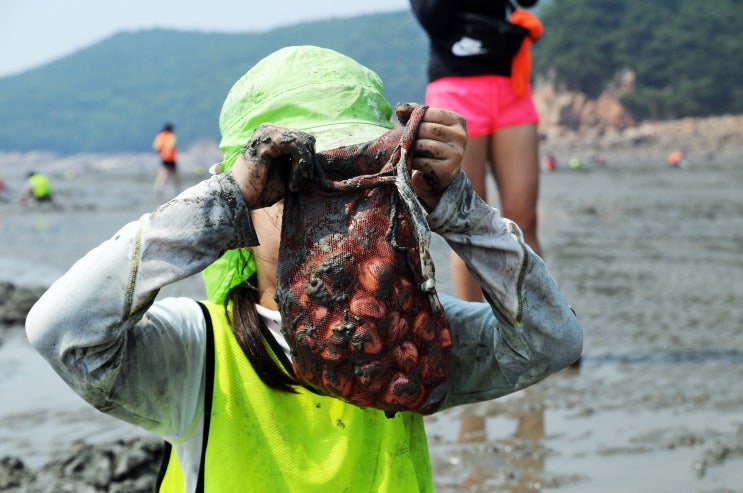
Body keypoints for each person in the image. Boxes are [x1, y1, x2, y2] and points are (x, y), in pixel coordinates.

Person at [26, 46, 582, 492]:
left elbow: (550, 339)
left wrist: (459, 210)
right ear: (245, 196)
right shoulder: (196, 353)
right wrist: (220, 209)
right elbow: (60, 330)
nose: (328, 204)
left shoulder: (408, 340)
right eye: (294, 180)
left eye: (355, 175)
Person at [410, 0, 544, 301]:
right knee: (467, 224)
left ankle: (538, 331)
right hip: (455, 87)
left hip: (512, 86)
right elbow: (432, 18)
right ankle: (479, 335)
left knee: (525, 218)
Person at [153, 122, 180, 197]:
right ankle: (177, 190)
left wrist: (161, 154)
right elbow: (171, 145)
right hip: (171, 158)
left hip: (163, 158)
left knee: (162, 175)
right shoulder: (171, 136)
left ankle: (158, 190)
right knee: (175, 175)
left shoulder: (160, 136)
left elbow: (156, 146)